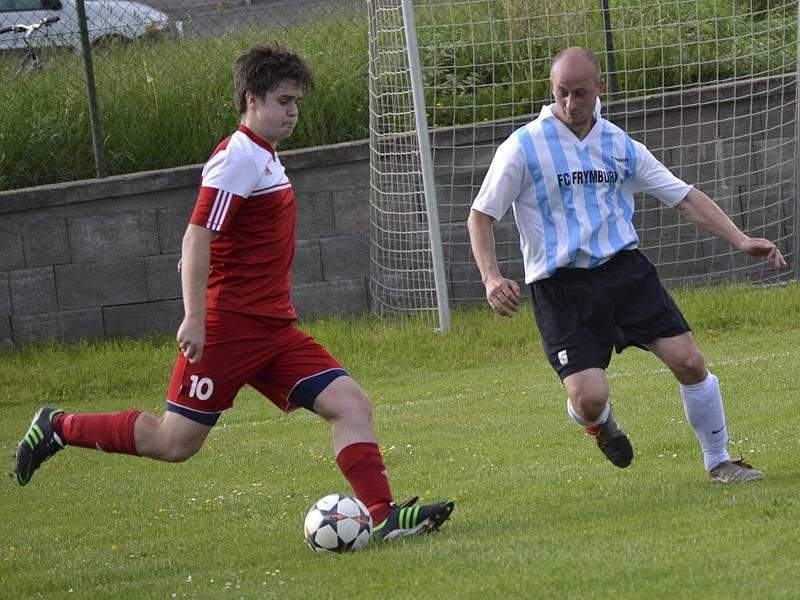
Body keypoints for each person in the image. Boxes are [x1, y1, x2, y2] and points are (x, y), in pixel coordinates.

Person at [16, 42, 454, 539]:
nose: (293, 112)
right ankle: (57, 426)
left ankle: (383, 515)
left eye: (296, 103)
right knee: (174, 442)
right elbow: (196, 236)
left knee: (351, 403)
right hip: (228, 328)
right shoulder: (238, 159)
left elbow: (218, 241)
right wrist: (195, 316)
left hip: (272, 329)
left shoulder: (264, 158)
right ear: (252, 99)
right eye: (284, 101)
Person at [467, 46, 786, 483]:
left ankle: (720, 461)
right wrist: (490, 277)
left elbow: (684, 197)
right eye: (561, 93)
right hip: (563, 289)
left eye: (580, 93)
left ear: (600, 88)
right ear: (551, 90)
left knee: (690, 361)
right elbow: (480, 216)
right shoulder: (523, 147)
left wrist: (741, 239)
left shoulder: (619, 144)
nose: (570, 104)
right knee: (589, 399)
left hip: (625, 273)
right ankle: (598, 423)